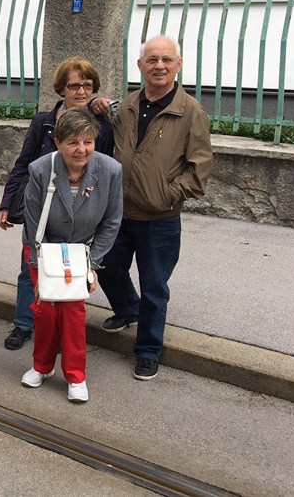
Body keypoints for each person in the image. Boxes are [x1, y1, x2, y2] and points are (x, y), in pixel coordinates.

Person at [90, 35, 213, 381]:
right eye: (152, 60)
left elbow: (199, 170)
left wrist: (166, 195)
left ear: (178, 64)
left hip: (159, 218)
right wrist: (99, 104)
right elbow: (111, 135)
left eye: (166, 59)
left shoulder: (190, 112)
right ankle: (130, 310)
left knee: (155, 285)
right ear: (141, 66)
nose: (159, 66)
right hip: (119, 213)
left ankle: (148, 350)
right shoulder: (128, 105)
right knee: (105, 266)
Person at [0, 57, 115, 351]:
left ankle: (62, 332)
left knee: (70, 273)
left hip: (79, 212)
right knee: (31, 268)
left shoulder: (101, 125)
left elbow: (105, 169)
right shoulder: (43, 121)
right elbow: (24, 163)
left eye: (87, 86)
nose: (81, 91)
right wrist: (7, 202)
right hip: (44, 208)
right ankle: (24, 324)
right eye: (74, 85)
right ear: (62, 88)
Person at [20, 109, 123, 403]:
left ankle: (76, 376)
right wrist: (37, 268)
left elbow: (112, 221)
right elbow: (32, 223)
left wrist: (93, 265)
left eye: (88, 142)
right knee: (44, 309)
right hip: (45, 248)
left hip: (81, 251)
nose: (81, 150)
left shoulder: (111, 170)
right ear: (58, 143)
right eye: (73, 142)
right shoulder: (41, 169)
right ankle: (42, 366)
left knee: (72, 312)